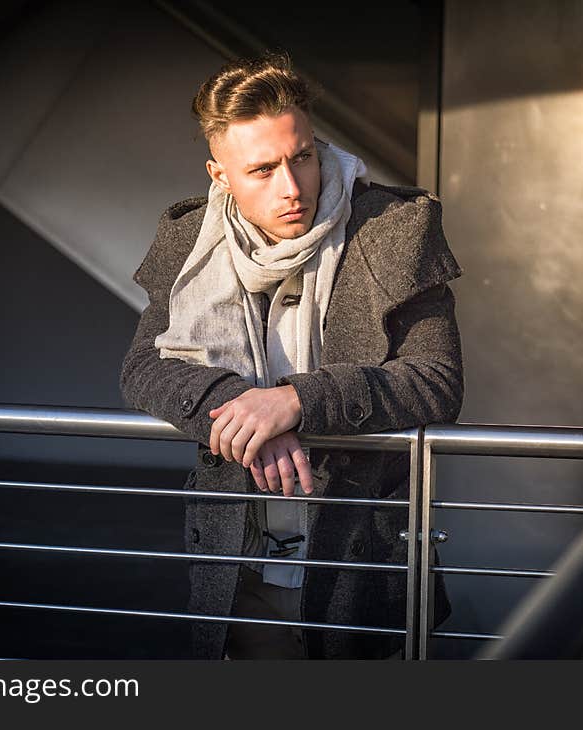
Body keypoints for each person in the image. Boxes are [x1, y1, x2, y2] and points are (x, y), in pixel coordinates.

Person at [120, 52, 463, 660]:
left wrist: (298, 401)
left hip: (361, 561)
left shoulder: (395, 227)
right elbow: (143, 369)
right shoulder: (185, 238)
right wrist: (248, 411)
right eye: (261, 170)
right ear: (219, 174)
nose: (292, 187)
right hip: (239, 562)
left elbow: (434, 382)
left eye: (302, 157)